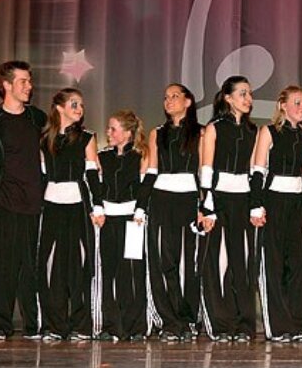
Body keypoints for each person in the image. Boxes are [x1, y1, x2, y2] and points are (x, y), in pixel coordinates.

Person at [0, 61, 48, 340]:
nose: (29, 86)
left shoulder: (38, 118)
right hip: (2, 203)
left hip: (34, 202)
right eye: (23, 81)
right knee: (2, 266)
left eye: (30, 81)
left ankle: (34, 324)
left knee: (31, 266)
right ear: (6, 85)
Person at [252, 85, 302, 342]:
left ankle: (299, 324)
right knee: (274, 263)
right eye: (297, 103)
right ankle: (279, 327)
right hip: (274, 202)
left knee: (300, 264)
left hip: (298, 204)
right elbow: (258, 172)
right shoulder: (268, 132)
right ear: (283, 106)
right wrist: (256, 205)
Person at [137, 83, 203, 341]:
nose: (169, 101)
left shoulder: (201, 133)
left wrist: (205, 207)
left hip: (188, 200)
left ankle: (188, 319)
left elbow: (204, 172)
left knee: (188, 261)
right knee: (164, 260)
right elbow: (151, 171)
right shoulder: (157, 133)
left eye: (175, 96)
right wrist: (141, 205)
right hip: (161, 200)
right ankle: (169, 321)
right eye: (165, 97)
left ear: (188, 101)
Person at [37, 88, 101, 341]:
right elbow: (41, 174)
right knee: (51, 265)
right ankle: (55, 325)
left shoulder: (86, 137)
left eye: (81, 105)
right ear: (59, 107)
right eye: (74, 104)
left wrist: (98, 207)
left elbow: (92, 175)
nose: (79, 109)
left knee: (79, 265)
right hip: (51, 206)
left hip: (78, 207)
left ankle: (81, 324)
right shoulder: (45, 139)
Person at [198, 76, 258, 342]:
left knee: (242, 262)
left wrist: (256, 204)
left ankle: (245, 324)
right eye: (242, 93)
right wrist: (207, 204)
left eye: (249, 94)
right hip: (219, 199)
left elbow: (256, 171)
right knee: (218, 261)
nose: (248, 99)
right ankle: (221, 324)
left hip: (243, 200)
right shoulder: (214, 128)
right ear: (228, 97)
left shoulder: (253, 131)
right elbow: (206, 168)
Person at [95, 110, 149, 341]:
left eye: (113, 129)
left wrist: (140, 210)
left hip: (132, 220)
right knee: (108, 272)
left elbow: (145, 187)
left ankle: (135, 326)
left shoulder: (140, 156)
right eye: (108, 128)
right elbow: (96, 185)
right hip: (108, 220)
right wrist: (98, 208)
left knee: (132, 273)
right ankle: (110, 325)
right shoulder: (102, 156)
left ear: (127, 133)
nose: (108, 132)